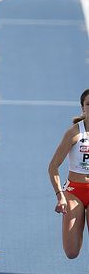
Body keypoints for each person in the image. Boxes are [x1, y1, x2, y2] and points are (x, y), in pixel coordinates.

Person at [48, 89, 89, 260]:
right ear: (82, 108)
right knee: (71, 252)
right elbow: (53, 167)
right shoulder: (74, 133)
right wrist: (60, 196)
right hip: (74, 192)